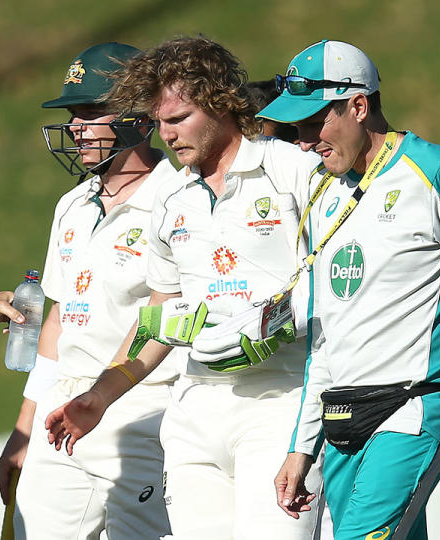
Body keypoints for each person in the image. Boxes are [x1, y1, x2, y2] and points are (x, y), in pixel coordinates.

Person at [44, 36, 326, 539]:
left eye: (178, 119)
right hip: (193, 411)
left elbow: (333, 284)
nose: (166, 135)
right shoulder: (173, 194)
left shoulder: (294, 172)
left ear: (221, 102)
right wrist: (101, 395)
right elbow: (162, 310)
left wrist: (277, 319)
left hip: (279, 402)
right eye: (159, 122)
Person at [261, 39, 440, 540]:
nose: (305, 140)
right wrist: (302, 445)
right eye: (298, 128)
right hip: (340, 418)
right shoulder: (320, 194)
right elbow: (324, 337)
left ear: (359, 106)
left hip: (413, 408)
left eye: (315, 123)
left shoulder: (436, 173)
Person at [0, 42, 181, 540]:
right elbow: (58, 318)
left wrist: (103, 396)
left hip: (142, 414)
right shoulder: (73, 204)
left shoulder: (180, 199)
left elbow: (164, 317)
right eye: (73, 115)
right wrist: (25, 427)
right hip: (62, 413)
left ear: (140, 119)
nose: (76, 127)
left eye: (91, 113)